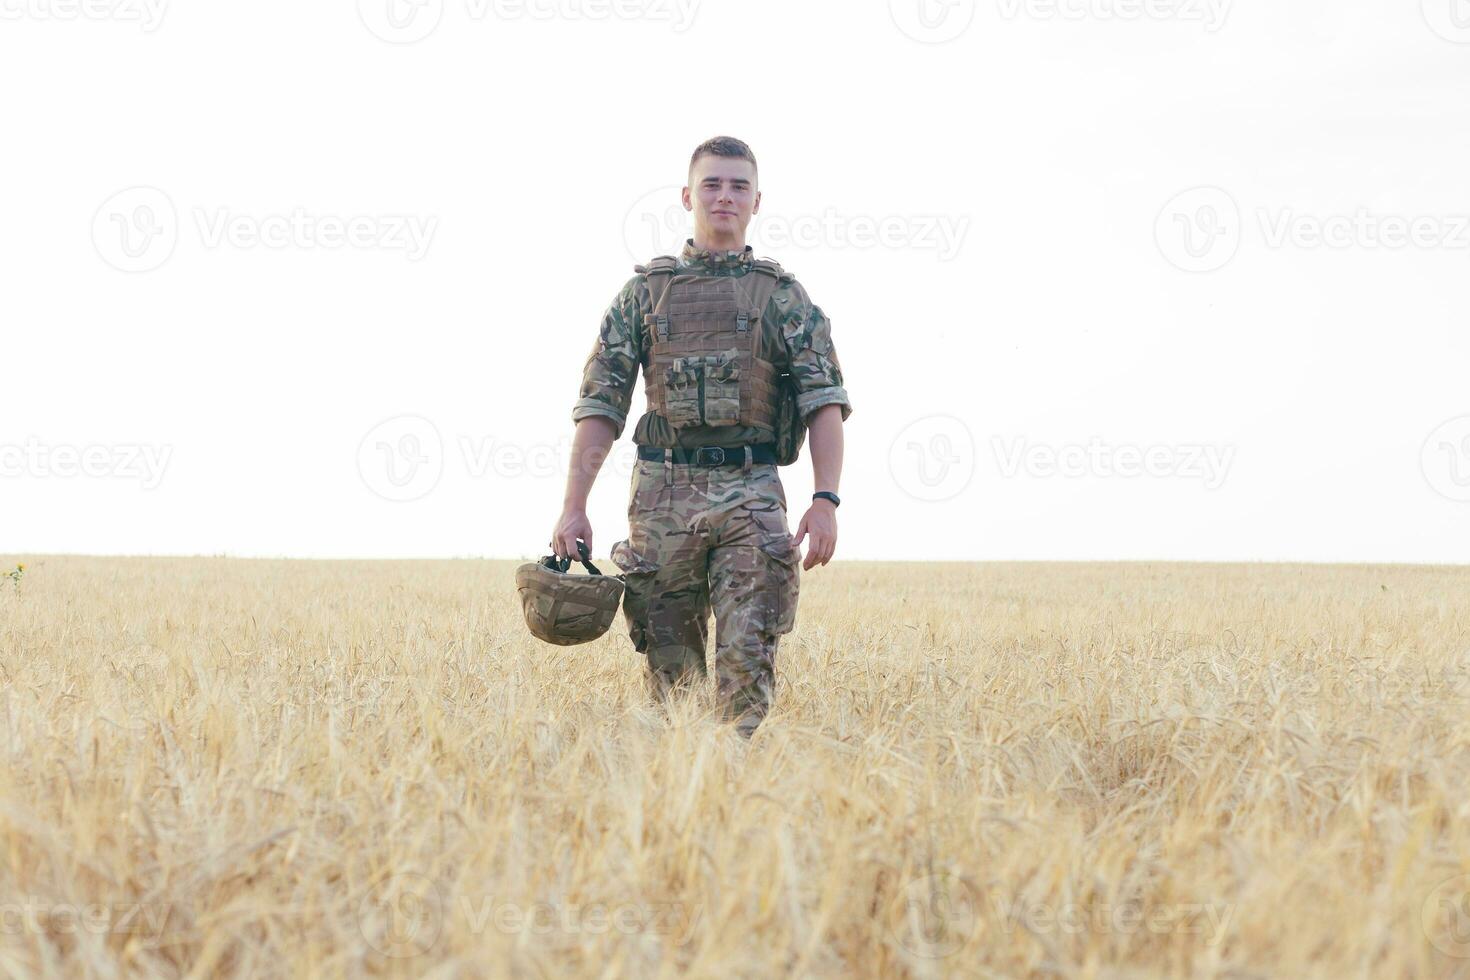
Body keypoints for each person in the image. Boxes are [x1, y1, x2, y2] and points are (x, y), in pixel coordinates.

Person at [549, 136, 851, 736]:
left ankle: (737, 800)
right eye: (712, 184)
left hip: (751, 493)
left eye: (738, 186)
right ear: (688, 196)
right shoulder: (643, 296)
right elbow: (600, 406)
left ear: (757, 201)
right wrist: (573, 507)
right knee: (671, 683)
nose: (724, 196)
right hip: (663, 495)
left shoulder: (784, 298)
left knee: (746, 666)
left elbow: (825, 403)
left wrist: (826, 499)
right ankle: (677, 807)